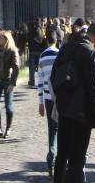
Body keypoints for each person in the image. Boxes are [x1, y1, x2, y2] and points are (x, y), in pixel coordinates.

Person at [51, 22, 95, 183]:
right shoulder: (93, 55)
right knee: (77, 158)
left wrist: (61, 99)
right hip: (82, 113)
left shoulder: (66, 48)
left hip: (65, 108)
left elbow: (54, 77)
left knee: (61, 154)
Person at [36, 28, 63, 176]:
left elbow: (39, 81)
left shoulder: (42, 56)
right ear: (57, 40)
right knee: (61, 128)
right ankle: (59, 158)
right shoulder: (60, 55)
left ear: (47, 40)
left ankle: (50, 156)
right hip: (60, 98)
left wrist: (40, 102)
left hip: (47, 98)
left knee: (51, 129)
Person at [0, 30, 20, 138]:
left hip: (7, 80)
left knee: (8, 106)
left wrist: (12, 83)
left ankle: (8, 128)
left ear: (6, 39)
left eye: (0, 38)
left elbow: (16, 68)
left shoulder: (12, 51)